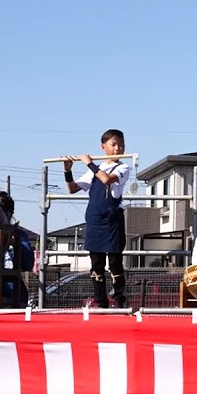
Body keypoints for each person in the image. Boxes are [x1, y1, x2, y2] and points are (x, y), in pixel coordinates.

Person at [63, 128, 131, 308]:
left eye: (121, 145)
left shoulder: (123, 167)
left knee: (115, 263)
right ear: (103, 147)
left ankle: (119, 302)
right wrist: (67, 171)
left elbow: (107, 179)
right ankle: (100, 302)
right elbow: (73, 189)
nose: (118, 149)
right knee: (96, 265)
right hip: (95, 220)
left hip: (112, 221)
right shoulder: (95, 169)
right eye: (114, 144)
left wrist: (90, 164)